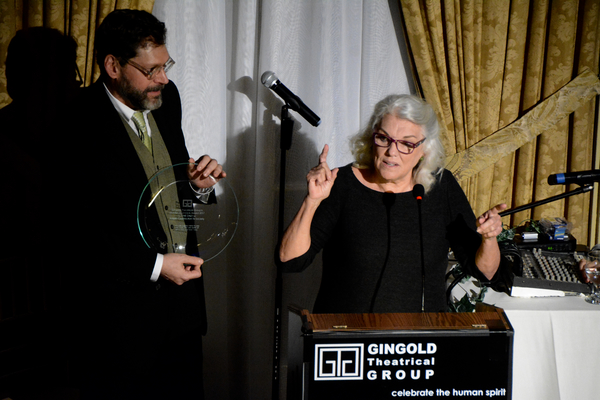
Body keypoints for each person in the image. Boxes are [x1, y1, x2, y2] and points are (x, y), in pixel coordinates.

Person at [51, 10, 224, 399]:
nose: (163, 78)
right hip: (118, 325)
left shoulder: (168, 96)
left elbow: (175, 183)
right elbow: (77, 230)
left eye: (166, 66)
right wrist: (158, 266)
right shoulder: (75, 123)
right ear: (112, 65)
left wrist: (198, 186)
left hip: (182, 313)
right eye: (151, 70)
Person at [278, 94, 507, 314]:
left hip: (420, 345)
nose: (391, 152)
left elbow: (485, 272)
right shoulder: (342, 184)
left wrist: (489, 239)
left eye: (406, 144)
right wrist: (313, 201)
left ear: (425, 150)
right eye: (383, 138)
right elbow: (290, 261)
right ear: (372, 137)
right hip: (347, 340)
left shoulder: (441, 186)